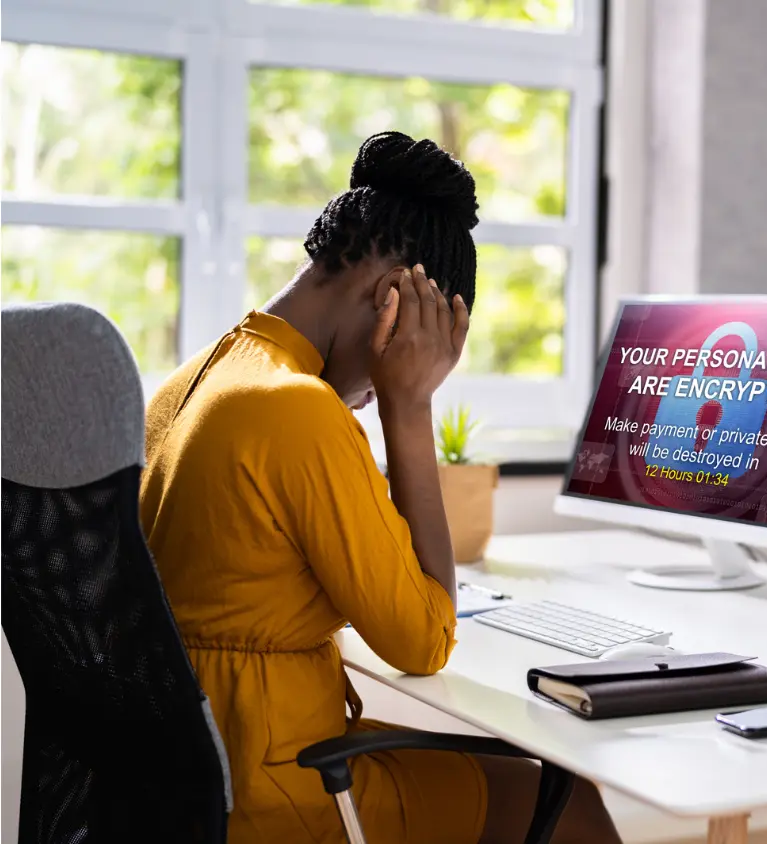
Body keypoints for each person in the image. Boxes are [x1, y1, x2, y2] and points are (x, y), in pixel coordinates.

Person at [139, 131, 622, 844]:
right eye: (427, 341)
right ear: (396, 298)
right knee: (564, 796)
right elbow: (424, 639)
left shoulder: (196, 380)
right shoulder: (295, 409)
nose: (363, 398)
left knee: (520, 774)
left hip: (191, 773)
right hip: (277, 788)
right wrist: (409, 403)